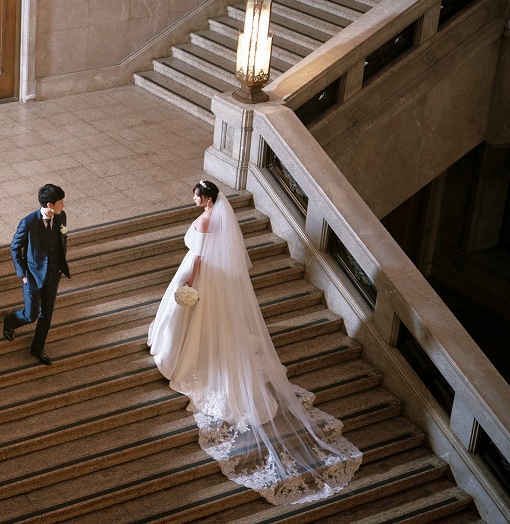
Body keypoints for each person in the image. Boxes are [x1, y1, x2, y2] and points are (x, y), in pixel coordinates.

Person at [147, 179, 362, 505]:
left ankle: (178, 358)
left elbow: (201, 257)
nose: (192, 198)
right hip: (211, 275)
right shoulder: (217, 216)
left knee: (192, 322)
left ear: (204, 197)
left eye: (195, 194)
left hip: (198, 273)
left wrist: (190, 285)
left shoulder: (206, 219)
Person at [3, 183, 71, 366]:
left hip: (53, 275)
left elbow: (62, 239)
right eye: (60, 203)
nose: (63, 206)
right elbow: (15, 248)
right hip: (32, 276)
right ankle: (10, 320)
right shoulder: (29, 222)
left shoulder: (61, 217)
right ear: (49, 204)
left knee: (46, 315)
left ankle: (38, 348)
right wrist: (23, 273)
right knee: (30, 315)